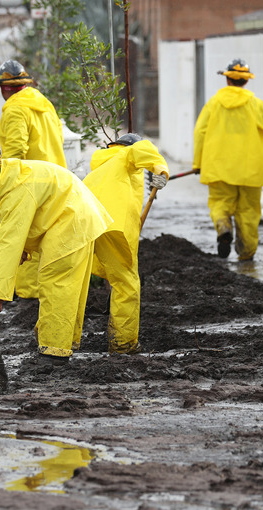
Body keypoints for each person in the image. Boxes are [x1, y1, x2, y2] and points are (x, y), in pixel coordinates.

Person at [0, 147, 112, 366]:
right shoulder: (11, 177)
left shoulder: (15, 188)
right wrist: (24, 248)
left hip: (71, 222)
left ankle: (54, 354)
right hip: (74, 217)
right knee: (66, 288)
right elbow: (28, 218)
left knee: (55, 284)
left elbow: (8, 241)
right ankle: (61, 343)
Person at [193, 59, 263, 261]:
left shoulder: (213, 104)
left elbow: (200, 132)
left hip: (218, 167)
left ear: (227, 80)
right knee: (248, 212)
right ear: (245, 81)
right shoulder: (256, 105)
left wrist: (198, 163)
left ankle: (223, 225)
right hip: (250, 169)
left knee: (220, 203)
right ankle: (246, 253)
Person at [83, 133, 169, 354]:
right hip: (113, 226)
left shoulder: (102, 163)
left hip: (86, 223)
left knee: (74, 284)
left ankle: (59, 340)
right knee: (126, 283)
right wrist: (160, 169)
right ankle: (123, 343)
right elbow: (143, 149)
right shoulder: (126, 154)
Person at [0, 60, 67, 300]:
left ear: (5, 88)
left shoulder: (15, 109)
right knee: (47, 239)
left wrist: (8, 185)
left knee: (26, 236)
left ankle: (28, 295)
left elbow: (15, 152)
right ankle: (43, 292)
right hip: (56, 178)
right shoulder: (43, 104)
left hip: (31, 182)